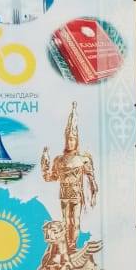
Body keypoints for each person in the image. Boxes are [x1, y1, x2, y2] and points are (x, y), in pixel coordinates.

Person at [40, 102, 98, 251]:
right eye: (68, 139)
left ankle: (73, 246)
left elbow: (92, 179)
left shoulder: (83, 159)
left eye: (72, 139)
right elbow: (51, 177)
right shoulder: (59, 160)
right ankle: (67, 247)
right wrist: (45, 163)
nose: (69, 142)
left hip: (77, 194)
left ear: (76, 140)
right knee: (66, 221)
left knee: (76, 221)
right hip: (64, 194)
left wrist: (93, 195)